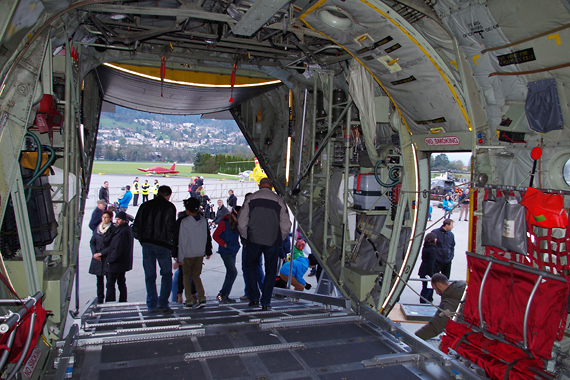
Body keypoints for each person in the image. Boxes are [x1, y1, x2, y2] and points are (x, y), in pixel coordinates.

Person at [238, 177, 292, 310]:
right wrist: (280, 238)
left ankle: (254, 298)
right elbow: (286, 225)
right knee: (270, 271)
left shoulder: (251, 199)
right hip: (272, 241)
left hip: (253, 240)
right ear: (272, 187)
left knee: (250, 268)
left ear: (259, 186)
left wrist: (246, 236)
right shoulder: (279, 200)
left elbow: (241, 222)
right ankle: (266, 302)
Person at [133, 185, 177, 313]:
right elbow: (171, 228)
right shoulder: (169, 207)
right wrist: (172, 246)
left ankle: (151, 304)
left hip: (147, 244)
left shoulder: (145, 205)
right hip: (163, 245)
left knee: (150, 276)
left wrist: (142, 239)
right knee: (167, 275)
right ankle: (163, 303)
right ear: (169, 195)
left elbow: (136, 226)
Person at [177, 197, 212, 308]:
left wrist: (180, 257)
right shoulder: (203, 221)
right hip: (199, 253)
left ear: (187, 209)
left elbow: (183, 241)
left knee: (186, 277)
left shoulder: (185, 222)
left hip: (187, 254)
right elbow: (206, 237)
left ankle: (189, 300)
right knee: (196, 276)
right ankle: (202, 298)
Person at [415, 274, 466, 340]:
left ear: (439, 284)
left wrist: (415, 338)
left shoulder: (449, 301)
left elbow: (435, 327)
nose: (436, 293)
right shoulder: (462, 287)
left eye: (435, 289)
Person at [102, 211, 134, 302]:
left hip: (117, 263)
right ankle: (123, 300)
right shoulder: (124, 230)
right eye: (116, 219)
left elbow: (118, 249)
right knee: (121, 282)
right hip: (121, 262)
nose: (116, 221)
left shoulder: (123, 232)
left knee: (111, 284)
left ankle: (110, 302)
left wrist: (110, 260)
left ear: (124, 220)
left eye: (118, 219)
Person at [213, 206, 241, 303]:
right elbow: (215, 235)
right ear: (232, 215)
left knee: (230, 273)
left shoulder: (237, 223)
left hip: (233, 250)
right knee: (233, 272)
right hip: (226, 252)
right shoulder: (224, 223)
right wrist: (224, 244)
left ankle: (224, 295)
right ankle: (222, 294)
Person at [89, 210, 115, 303]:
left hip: (106, 257)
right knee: (99, 281)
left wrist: (101, 253)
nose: (104, 219)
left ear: (111, 218)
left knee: (109, 282)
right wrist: (95, 254)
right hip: (98, 258)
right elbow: (92, 242)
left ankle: (110, 300)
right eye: (103, 217)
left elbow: (113, 245)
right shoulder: (98, 228)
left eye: (106, 217)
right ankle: (100, 299)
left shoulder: (113, 229)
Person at [418, 233, 438, 304]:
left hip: (423, 269)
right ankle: (423, 302)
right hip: (427, 271)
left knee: (425, 287)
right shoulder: (433, 249)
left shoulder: (425, 247)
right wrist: (431, 274)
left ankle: (423, 301)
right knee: (427, 289)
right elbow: (431, 263)